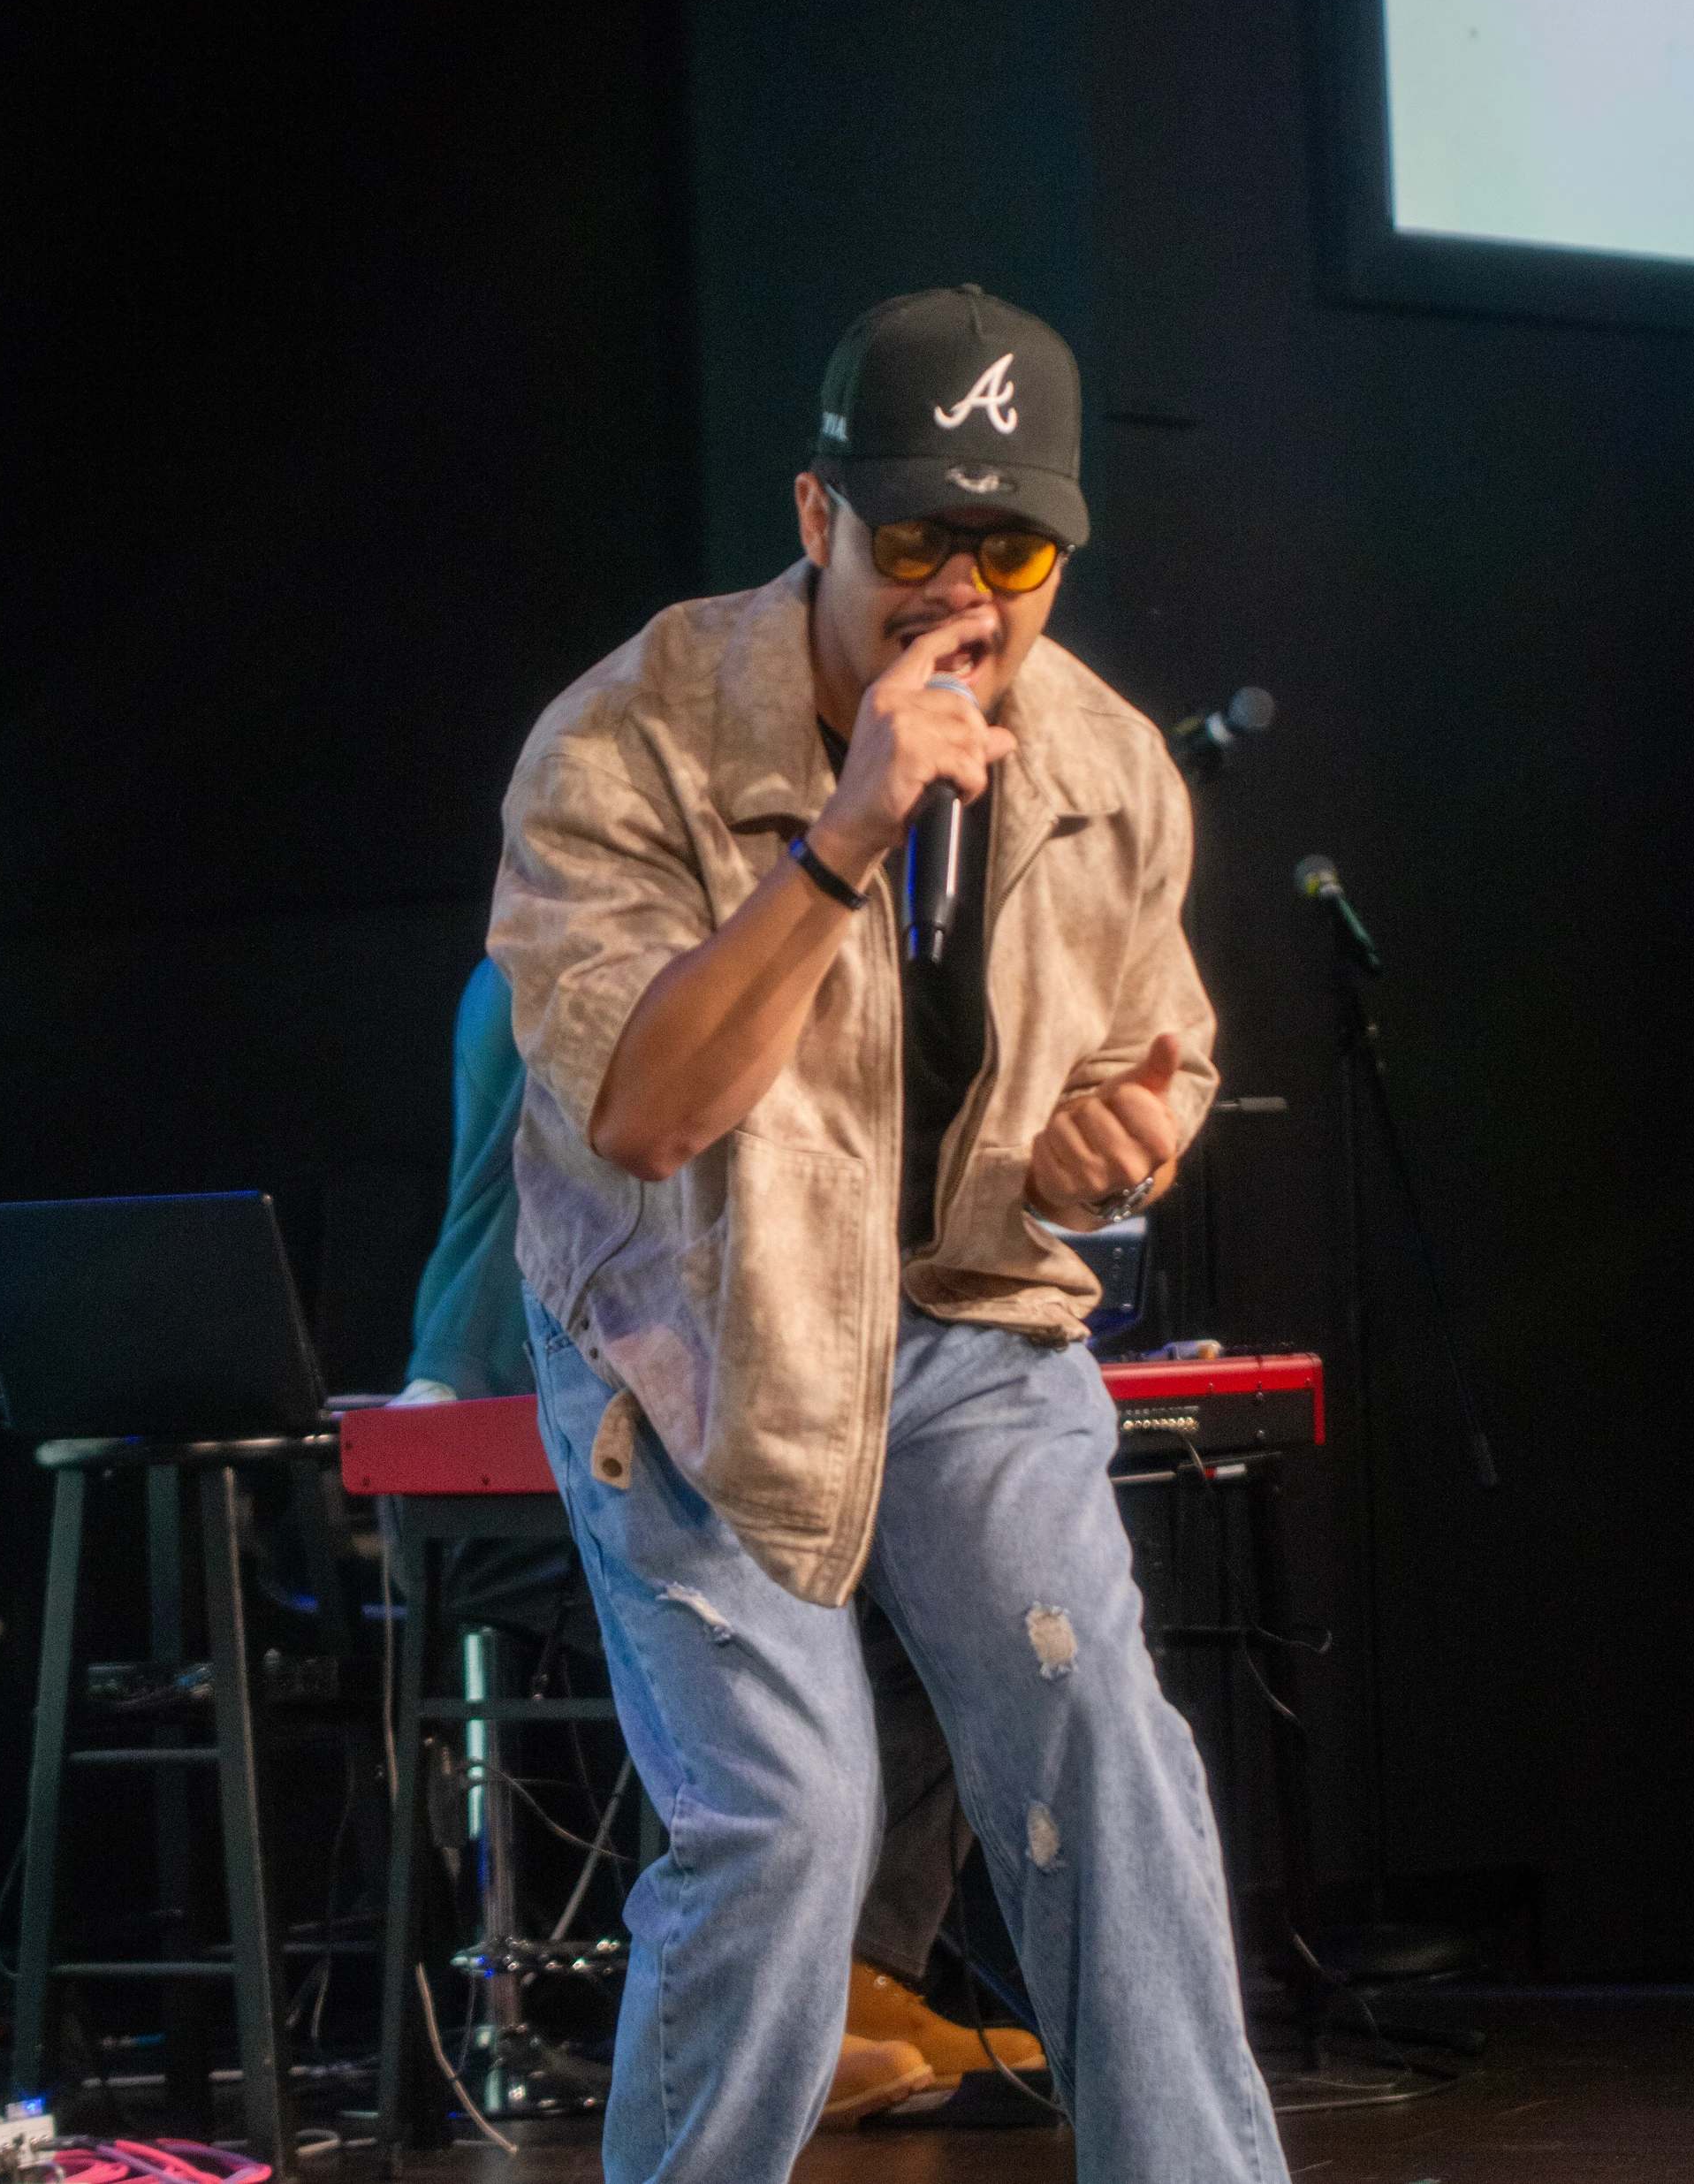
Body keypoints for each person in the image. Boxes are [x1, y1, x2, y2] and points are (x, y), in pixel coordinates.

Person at [490, 284, 1291, 2182]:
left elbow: (1150, 1043)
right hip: (696, 1324)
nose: (963, 592)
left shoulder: (1101, 767)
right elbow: (650, 1113)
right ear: (813, 518)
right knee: (786, 1815)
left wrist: (1124, 1142)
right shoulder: (627, 742)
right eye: (915, 537)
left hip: (964, 1321)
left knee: (1101, 1746)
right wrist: (841, 838)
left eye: (1006, 548)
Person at [398, 954, 1046, 2124]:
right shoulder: (564, 956)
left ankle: (853, 1985)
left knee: (982, 1609)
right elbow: (617, 1164)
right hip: (557, 1427)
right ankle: (795, 2011)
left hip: (650, 1394)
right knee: (811, 1673)